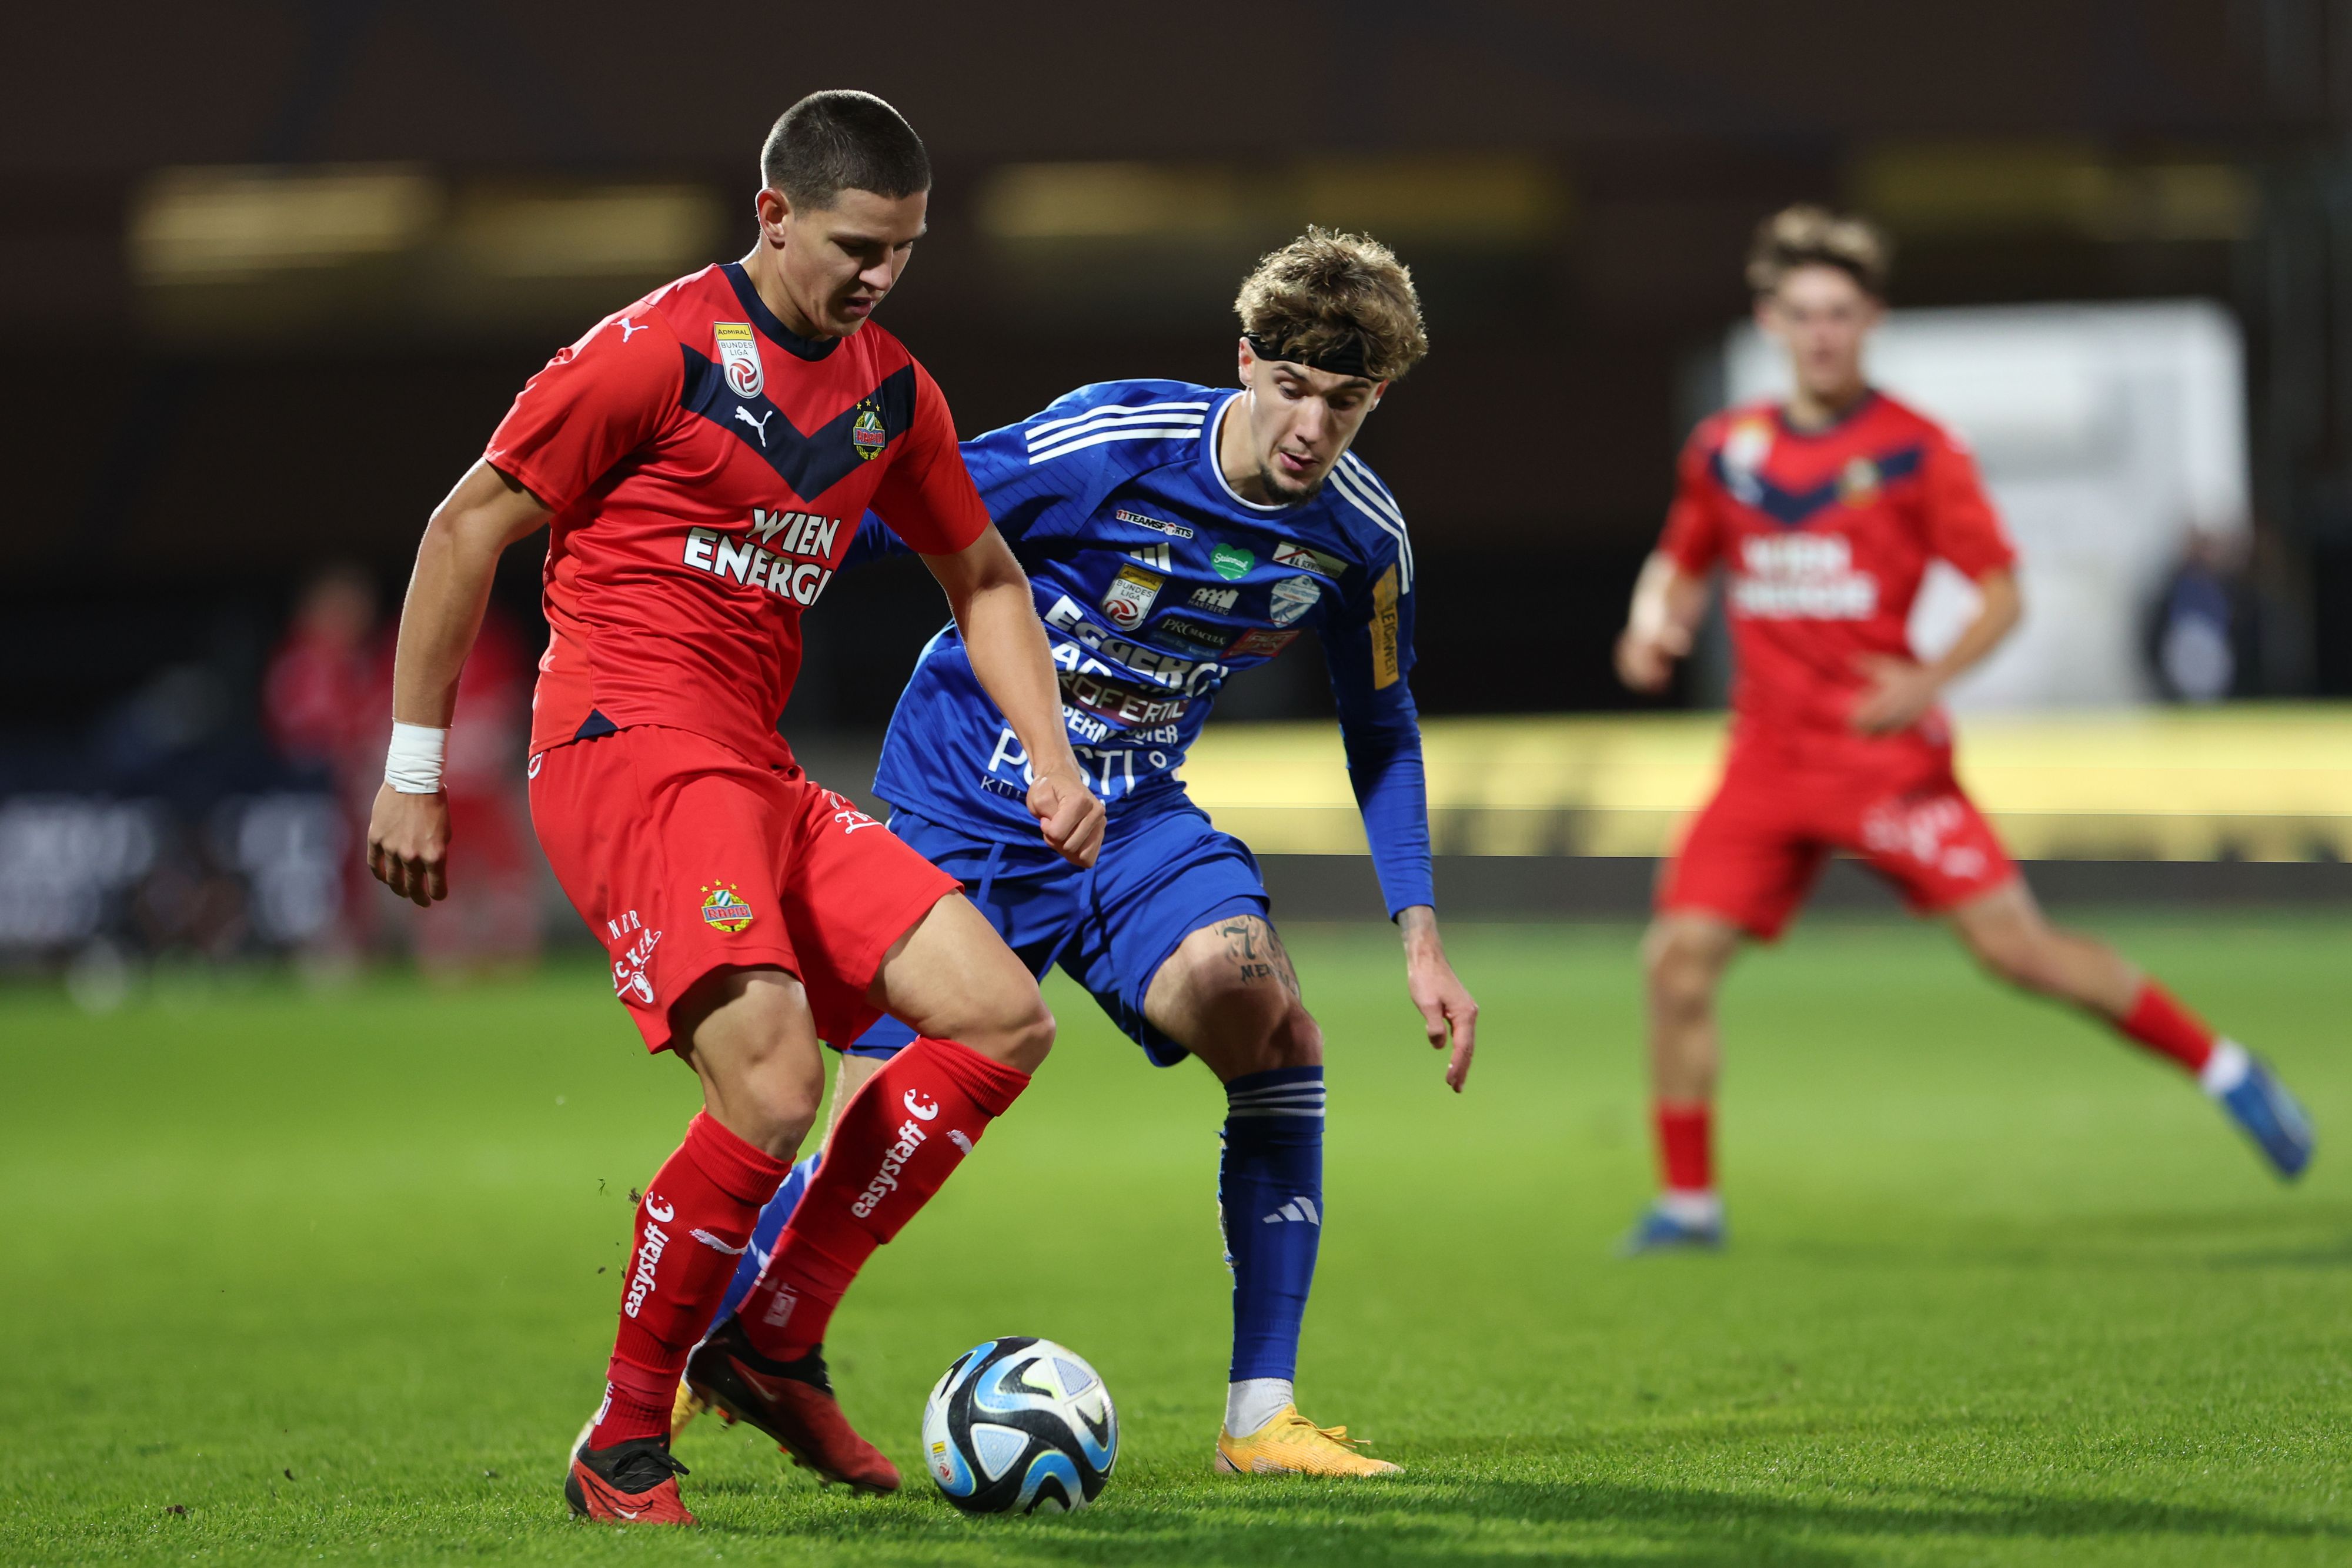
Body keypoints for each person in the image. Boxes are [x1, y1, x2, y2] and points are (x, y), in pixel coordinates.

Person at [365, 91, 1104, 1525]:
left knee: (1000, 1014)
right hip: (626, 743)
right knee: (773, 1087)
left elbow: (989, 578)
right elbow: (463, 527)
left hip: (752, 766)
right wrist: (411, 773)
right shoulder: (653, 353)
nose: (881, 274)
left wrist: (1052, 753)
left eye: (905, 248)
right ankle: (623, 1436)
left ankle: (771, 1338)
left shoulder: (893, 391)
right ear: (771, 216)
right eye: (855, 244)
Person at [679, 228, 1479, 1478]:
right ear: (1244, 361)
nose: (1311, 428)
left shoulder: (1361, 542)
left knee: (1264, 1016)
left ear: (1376, 397)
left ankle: (1258, 1417)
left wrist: (1419, 934)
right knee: (862, 1124)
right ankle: (716, 1342)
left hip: (1134, 817)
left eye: (1345, 402)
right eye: (1290, 388)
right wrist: (740, 545)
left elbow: (1380, 724)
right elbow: (910, 522)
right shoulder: (1108, 444)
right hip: (961, 799)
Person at [1611, 205, 2313, 1255]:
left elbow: (2002, 595)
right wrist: (1649, 615)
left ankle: (2226, 1068)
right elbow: (1683, 555)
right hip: (1766, 759)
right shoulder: (1726, 450)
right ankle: (1688, 1208)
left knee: (2020, 953)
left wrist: (1928, 678)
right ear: (1771, 321)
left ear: (1870, 320)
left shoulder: (1917, 450)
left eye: (1840, 314)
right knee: (1674, 961)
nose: (1821, 334)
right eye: (1802, 314)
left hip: (1885, 762)